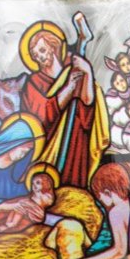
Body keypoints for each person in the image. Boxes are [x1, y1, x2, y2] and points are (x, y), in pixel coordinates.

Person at [19, 22, 109, 188]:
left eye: (42, 50)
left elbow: (87, 106)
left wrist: (88, 72)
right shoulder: (34, 83)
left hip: (76, 140)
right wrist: (68, 89)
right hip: (48, 149)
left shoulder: (73, 69)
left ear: (53, 46)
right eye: (35, 55)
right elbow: (41, 116)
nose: (39, 57)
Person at [0, 169, 57, 235]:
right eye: (33, 183)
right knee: (19, 207)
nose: (34, 186)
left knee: (21, 207)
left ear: (46, 184)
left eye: (38, 183)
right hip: (28, 206)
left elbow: (46, 203)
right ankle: (9, 223)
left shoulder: (48, 196)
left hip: (34, 210)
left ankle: (13, 224)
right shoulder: (32, 194)